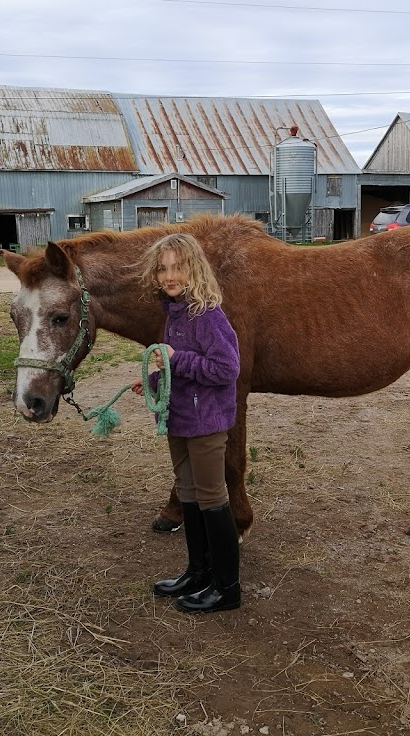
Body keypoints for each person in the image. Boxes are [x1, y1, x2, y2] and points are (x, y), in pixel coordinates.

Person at [131, 232, 242, 613]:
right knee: (189, 492)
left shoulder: (206, 315)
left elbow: (227, 369)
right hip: (178, 417)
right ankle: (198, 572)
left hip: (206, 422)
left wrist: (176, 361)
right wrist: (153, 377)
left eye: (177, 267)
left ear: (194, 268)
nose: (168, 276)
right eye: (162, 269)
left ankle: (227, 587)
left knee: (211, 496)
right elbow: (172, 359)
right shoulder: (174, 313)